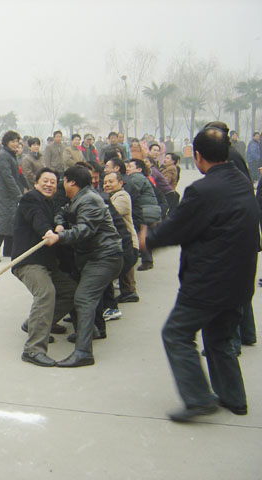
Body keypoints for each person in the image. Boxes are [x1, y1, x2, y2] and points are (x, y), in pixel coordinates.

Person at [140, 126, 259, 422]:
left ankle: (198, 399)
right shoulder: (242, 182)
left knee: (176, 333)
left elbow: (179, 226)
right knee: (219, 338)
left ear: (198, 156)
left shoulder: (203, 190)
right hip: (239, 282)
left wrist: (148, 240)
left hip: (209, 283)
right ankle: (234, 398)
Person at [44, 165, 123, 367]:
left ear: (71, 182)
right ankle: (91, 331)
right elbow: (63, 212)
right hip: (93, 257)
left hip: (105, 257)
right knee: (82, 294)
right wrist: (60, 223)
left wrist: (59, 236)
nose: (61, 184)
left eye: (63, 180)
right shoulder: (80, 198)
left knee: (84, 298)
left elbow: (84, 230)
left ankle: (83, 352)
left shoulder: (90, 200)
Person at [12, 168, 76, 367]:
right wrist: (48, 232)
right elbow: (36, 217)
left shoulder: (52, 203)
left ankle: (33, 324)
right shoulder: (30, 199)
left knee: (70, 292)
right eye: (45, 181)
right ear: (36, 183)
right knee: (46, 293)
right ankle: (33, 350)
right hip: (29, 261)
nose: (49, 184)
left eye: (53, 182)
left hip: (47, 262)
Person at [103, 171, 139, 303]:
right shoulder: (112, 196)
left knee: (124, 265)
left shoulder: (122, 196)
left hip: (129, 241)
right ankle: (128, 292)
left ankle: (129, 293)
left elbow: (110, 214)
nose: (107, 185)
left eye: (111, 182)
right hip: (123, 241)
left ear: (120, 183)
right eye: (105, 182)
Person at [0, 131, 23, 262]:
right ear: (6, 142)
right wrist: (18, 194)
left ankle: (8, 250)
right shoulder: (3, 156)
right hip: (4, 194)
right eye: (13, 141)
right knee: (3, 222)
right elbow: (8, 177)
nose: (15, 144)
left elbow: (18, 175)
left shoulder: (11, 155)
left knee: (11, 221)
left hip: (11, 195)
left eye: (17, 142)